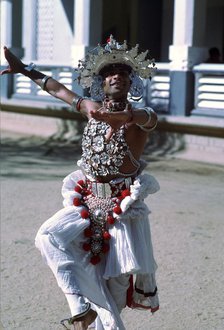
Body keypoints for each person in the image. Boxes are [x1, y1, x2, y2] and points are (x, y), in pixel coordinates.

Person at [1, 35, 160, 330]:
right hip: (86, 204)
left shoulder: (137, 120)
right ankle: (81, 309)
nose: (117, 77)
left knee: (114, 292)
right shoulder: (91, 109)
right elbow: (57, 88)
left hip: (122, 213)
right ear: (101, 82)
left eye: (124, 73)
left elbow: (150, 118)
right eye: (110, 73)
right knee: (48, 237)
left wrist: (126, 117)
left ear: (131, 82)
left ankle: (101, 322)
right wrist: (24, 70)